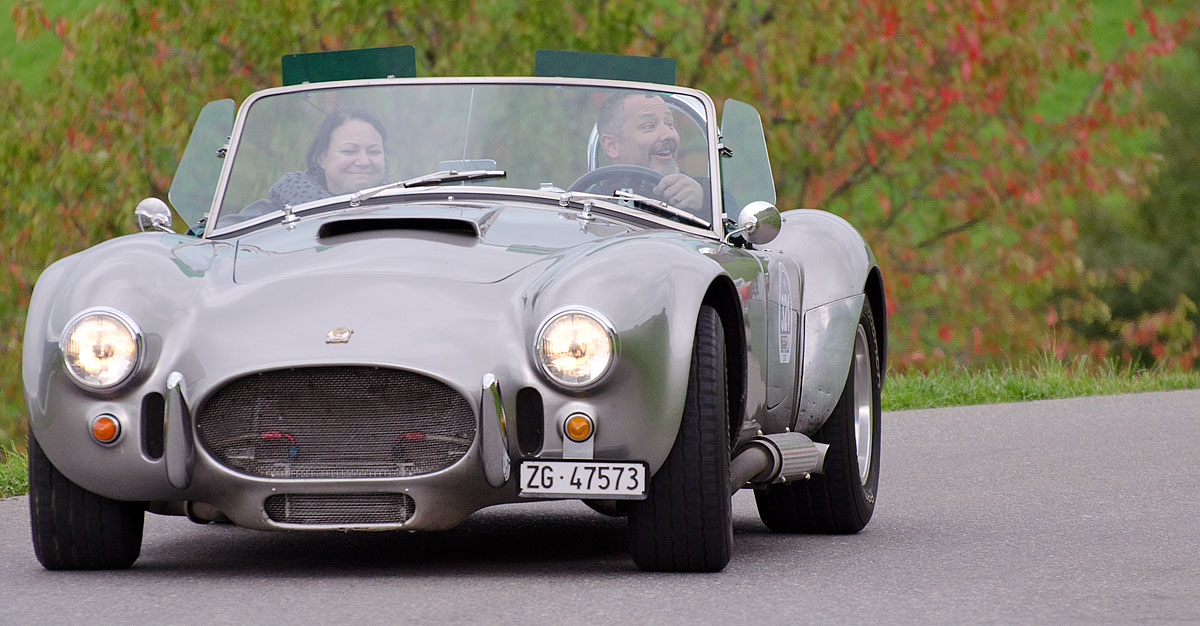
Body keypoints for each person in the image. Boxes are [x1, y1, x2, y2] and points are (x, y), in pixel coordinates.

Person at [225, 106, 388, 224]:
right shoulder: (277, 213)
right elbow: (218, 238)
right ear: (322, 158)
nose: (364, 162)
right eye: (349, 151)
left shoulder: (400, 206)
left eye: (373, 152)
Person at [594, 92, 705, 213]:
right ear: (612, 145)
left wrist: (704, 198)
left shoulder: (701, 194)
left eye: (670, 124)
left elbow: (727, 217)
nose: (668, 135)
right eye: (648, 126)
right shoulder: (588, 207)